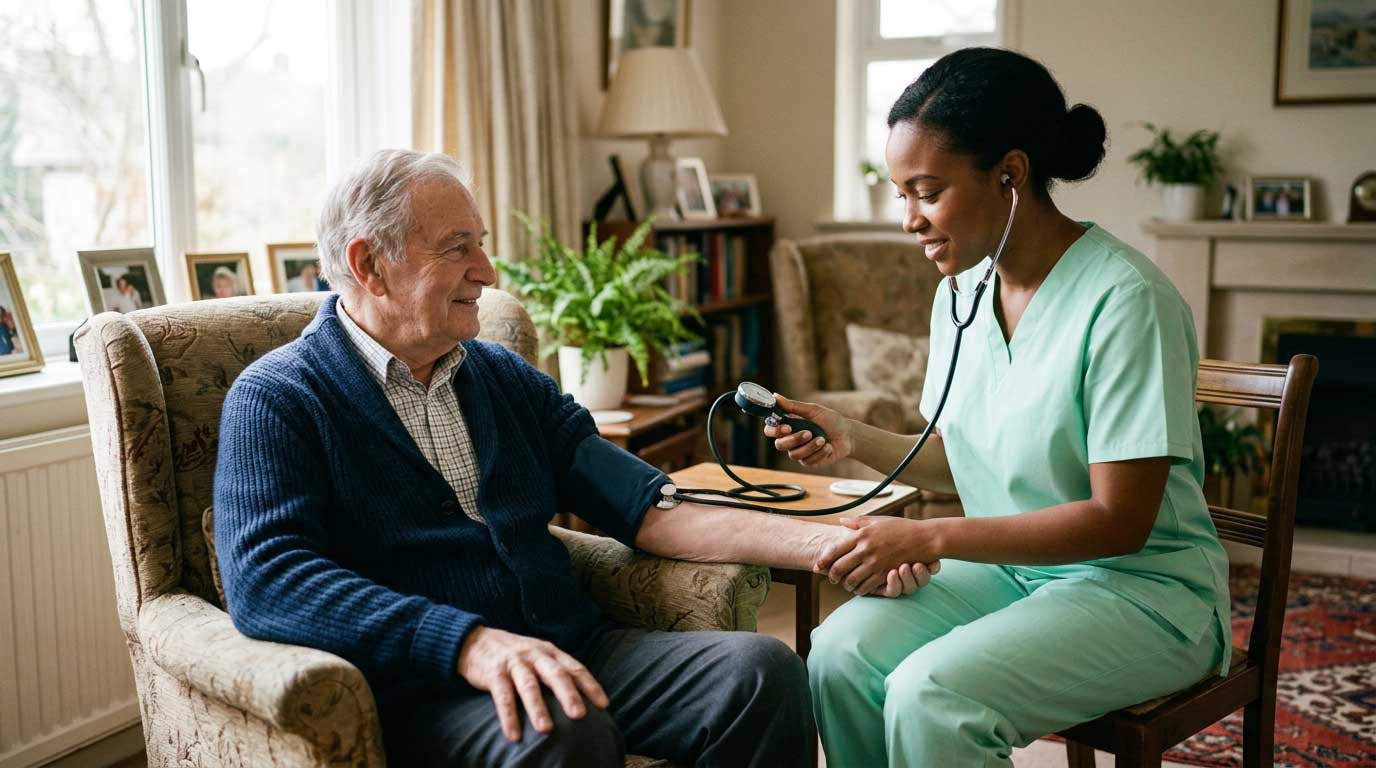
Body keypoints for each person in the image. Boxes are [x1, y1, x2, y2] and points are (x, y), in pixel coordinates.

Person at [214, 149, 927, 767]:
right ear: (371, 264)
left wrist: (834, 542)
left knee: (763, 671)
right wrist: (468, 644)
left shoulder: (501, 378)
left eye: (482, 244)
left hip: (573, 647)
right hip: (427, 689)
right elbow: (270, 581)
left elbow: (650, 507)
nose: (487, 271)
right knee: (565, 733)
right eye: (457, 247)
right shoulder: (279, 399)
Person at [765, 48, 1230, 767]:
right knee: (837, 652)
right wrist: (848, 434)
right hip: (1019, 574)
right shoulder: (959, 294)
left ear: (1009, 175)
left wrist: (930, 540)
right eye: (901, 195)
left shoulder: (1126, 300)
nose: (910, 220)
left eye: (927, 191)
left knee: (933, 695)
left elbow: (1121, 521)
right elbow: (965, 462)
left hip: (1146, 593)